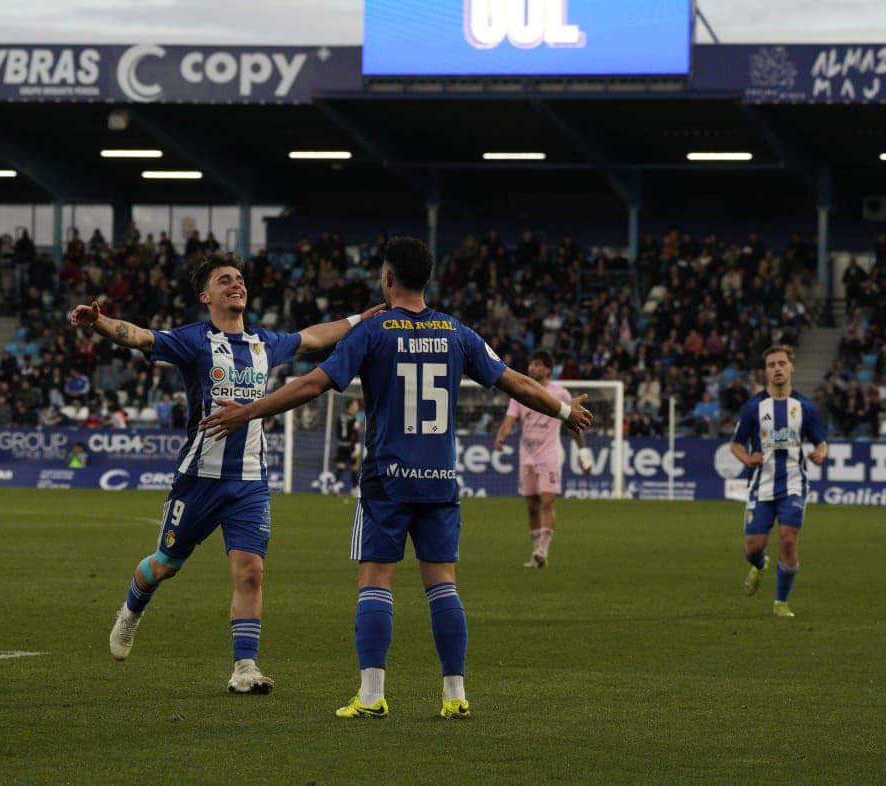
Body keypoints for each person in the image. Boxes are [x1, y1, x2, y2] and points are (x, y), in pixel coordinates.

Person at [200, 237, 593, 720]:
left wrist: (250, 411)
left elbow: (312, 384)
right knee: (443, 585)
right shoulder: (457, 333)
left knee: (375, 584)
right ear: (425, 279)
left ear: (388, 279)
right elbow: (512, 379)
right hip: (439, 479)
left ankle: (371, 695)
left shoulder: (373, 332)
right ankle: (454, 694)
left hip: (386, 479)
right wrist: (563, 408)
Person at [70, 251, 383, 695]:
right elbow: (141, 338)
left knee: (250, 571)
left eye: (239, 279)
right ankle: (130, 613)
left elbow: (312, 337)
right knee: (164, 565)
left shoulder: (263, 343)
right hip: (199, 478)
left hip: (249, 481)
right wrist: (100, 322)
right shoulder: (193, 341)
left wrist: (360, 319)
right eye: (224, 280)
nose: (236, 284)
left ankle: (245, 667)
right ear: (206, 295)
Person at [729, 344, 828, 618]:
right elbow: (735, 444)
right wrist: (747, 459)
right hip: (762, 484)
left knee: (787, 540)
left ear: (791, 367)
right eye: (772, 365)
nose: (777, 369)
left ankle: (781, 603)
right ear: (766, 372)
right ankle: (759, 565)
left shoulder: (804, 407)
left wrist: (820, 452)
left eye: (782, 363)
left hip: (794, 483)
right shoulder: (754, 408)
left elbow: (821, 441)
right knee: (754, 547)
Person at [492, 350, 593, 569]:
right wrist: (502, 435)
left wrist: (583, 454)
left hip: (549, 455)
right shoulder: (520, 393)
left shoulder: (561, 394)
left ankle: (542, 551)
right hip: (526, 454)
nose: (532, 368)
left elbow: (573, 426)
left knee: (547, 502)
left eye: (538, 365)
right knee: (531, 506)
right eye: (531, 364)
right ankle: (537, 553)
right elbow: (510, 419)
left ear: (548, 369)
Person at [332, 397, 362, 494]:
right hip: (351, 445)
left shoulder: (340, 416)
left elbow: (337, 431)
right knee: (354, 466)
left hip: (341, 444)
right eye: (356, 405)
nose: (357, 408)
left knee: (340, 465)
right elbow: (355, 432)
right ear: (351, 407)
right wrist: (356, 445)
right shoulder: (354, 418)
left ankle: (336, 486)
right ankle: (354, 488)